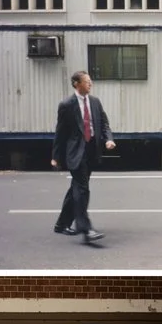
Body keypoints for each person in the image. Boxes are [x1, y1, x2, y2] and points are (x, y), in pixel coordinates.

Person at [52, 71, 115, 245]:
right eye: (87, 81)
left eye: (90, 81)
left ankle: (61, 224)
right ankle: (86, 228)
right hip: (75, 152)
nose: (90, 84)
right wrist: (55, 156)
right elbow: (60, 131)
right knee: (82, 189)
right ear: (76, 84)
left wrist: (109, 139)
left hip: (91, 150)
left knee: (76, 188)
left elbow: (103, 123)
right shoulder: (66, 104)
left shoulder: (95, 102)